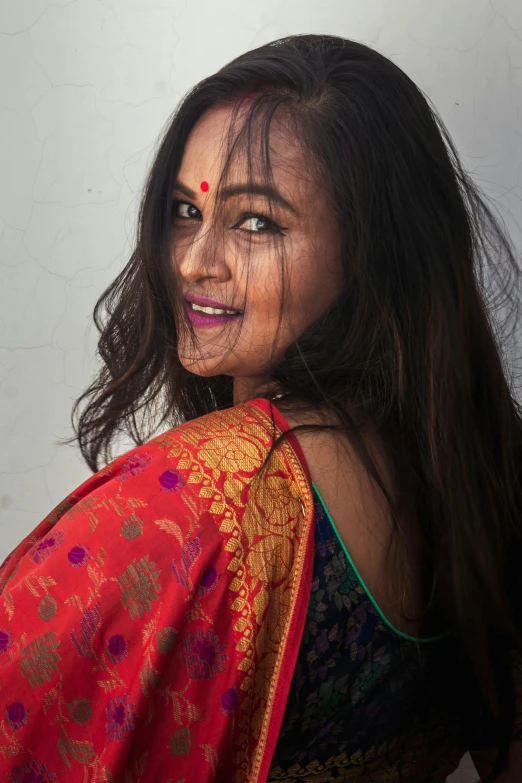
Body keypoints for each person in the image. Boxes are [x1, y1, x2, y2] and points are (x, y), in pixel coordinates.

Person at [0, 34, 520, 783]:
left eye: (256, 222)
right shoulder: (483, 465)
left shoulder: (182, 513)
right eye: (184, 210)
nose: (190, 260)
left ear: (371, 250)